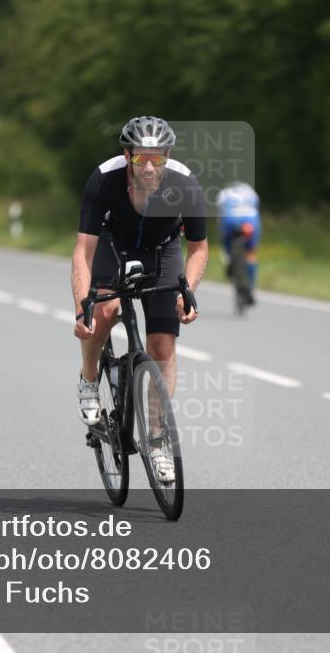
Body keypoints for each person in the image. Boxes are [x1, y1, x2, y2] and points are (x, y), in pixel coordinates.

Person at [71, 116, 208, 481]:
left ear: (168, 155)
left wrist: (188, 292)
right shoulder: (104, 179)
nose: (149, 167)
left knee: (162, 345)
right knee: (104, 311)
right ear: (127, 154)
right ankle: (88, 382)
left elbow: (198, 249)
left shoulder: (185, 183)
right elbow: (83, 252)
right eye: (140, 158)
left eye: (157, 158)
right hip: (113, 246)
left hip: (163, 252)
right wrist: (82, 305)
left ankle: (159, 440)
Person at [217, 181, 261, 305]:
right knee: (251, 254)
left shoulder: (223, 193)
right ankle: (251, 288)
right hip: (250, 221)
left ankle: (229, 259)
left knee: (225, 238)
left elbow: (220, 216)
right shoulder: (251, 192)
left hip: (230, 221)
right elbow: (256, 208)